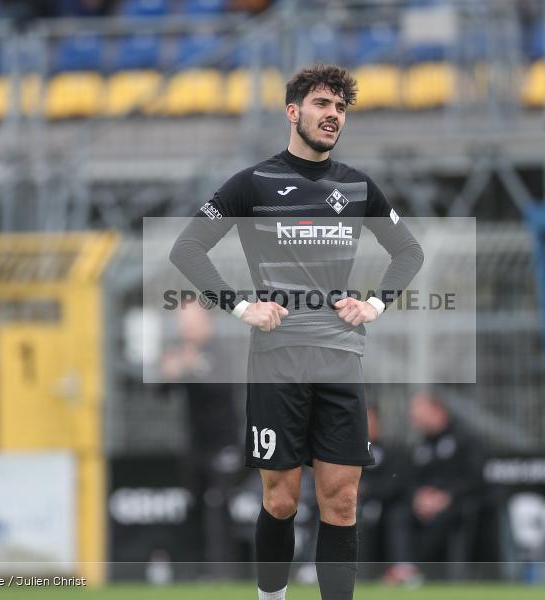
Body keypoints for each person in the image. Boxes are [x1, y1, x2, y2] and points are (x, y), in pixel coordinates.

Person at [169, 64, 424, 600]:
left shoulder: (357, 186)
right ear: (294, 112)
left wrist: (374, 302)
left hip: (339, 360)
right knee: (281, 499)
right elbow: (187, 248)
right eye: (323, 105)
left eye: (340, 109)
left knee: (342, 499)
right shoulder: (252, 183)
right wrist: (241, 308)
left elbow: (409, 251)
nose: (333, 116)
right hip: (276, 361)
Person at [160, 299, 243, 573]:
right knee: (192, 507)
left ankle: (225, 572)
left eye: (191, 324)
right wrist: (169, 374)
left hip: (224, 444)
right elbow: (161, 393)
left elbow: (220, 392)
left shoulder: (222, 350)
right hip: (195, 445)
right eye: (182, 325)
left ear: (205, 323)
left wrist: (193, 368)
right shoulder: (181, 352)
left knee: (220, 505)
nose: (186, 330)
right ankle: (192, 571)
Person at [407, 390, 499, 577]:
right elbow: (411, 478)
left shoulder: (466, 440)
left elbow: (475, 477)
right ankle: (402, 568)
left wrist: (446, 497)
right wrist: (418, 497)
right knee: (399, 514)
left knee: (442, 519)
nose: (413, 418)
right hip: (427, 505)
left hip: (460, 503)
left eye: (418, 412)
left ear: (437, 410)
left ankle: (425, 572)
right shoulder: (422, 445)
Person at [358, 402, 418, 585]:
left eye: (368, 419)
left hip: (386, 507)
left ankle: (402, 569)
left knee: (398, 515)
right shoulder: (344, 452)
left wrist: (367, 490)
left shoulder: (394, 452)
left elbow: (396, 484)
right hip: (355, 506)